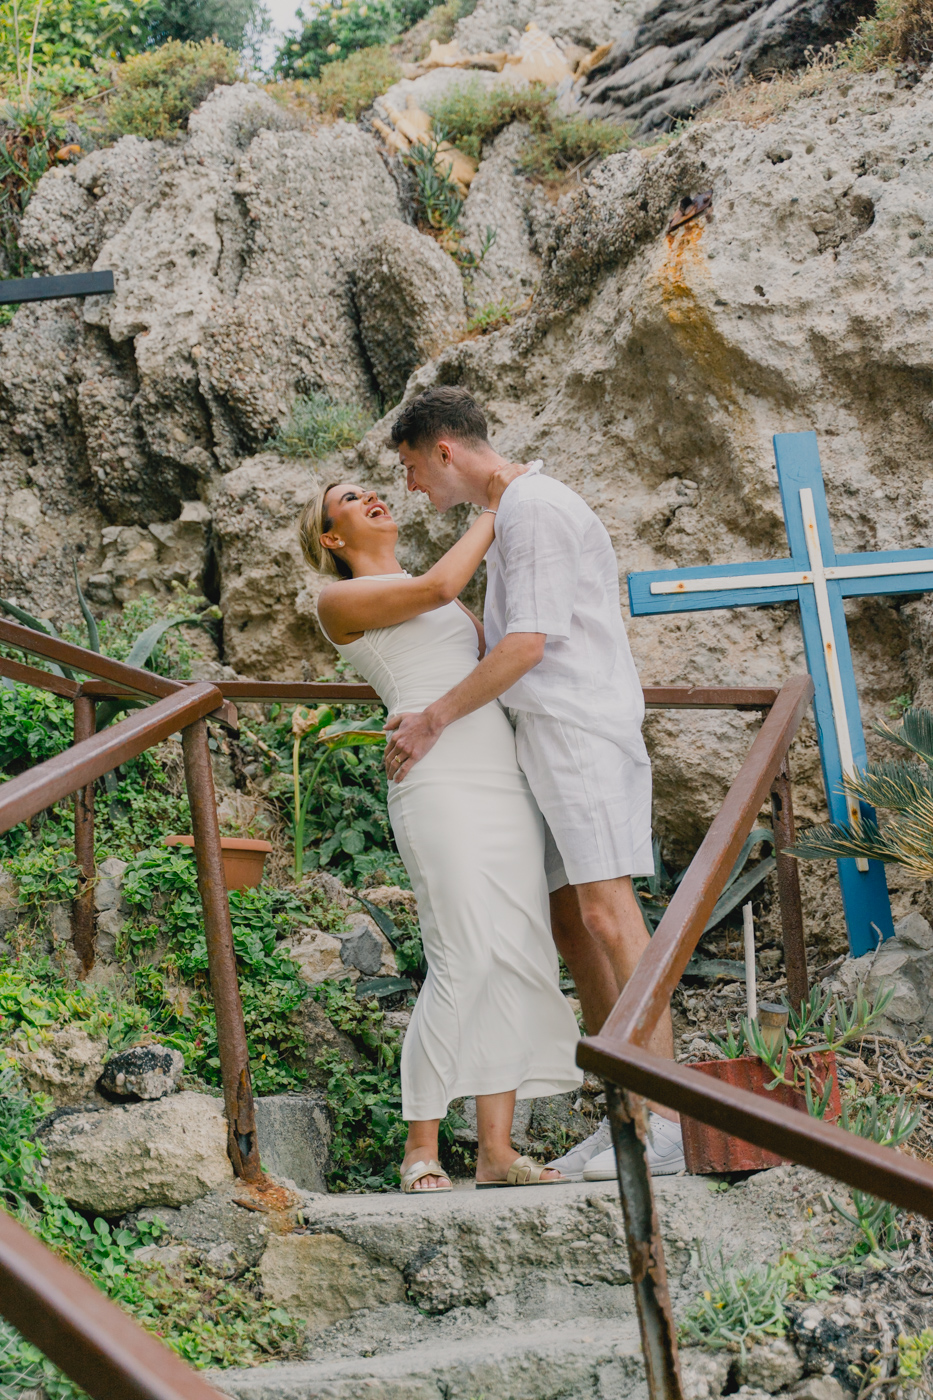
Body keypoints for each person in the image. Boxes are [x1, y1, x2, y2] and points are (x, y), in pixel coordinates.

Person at [383, 386, 685, 1179]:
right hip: (537, 739)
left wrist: (432, 718)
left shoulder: (537, 508)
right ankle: (628, 1113)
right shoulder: (510, 513)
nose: (413, 488)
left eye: (413, 468)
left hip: (578, 729)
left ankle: (674, 1123)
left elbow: (525, 647)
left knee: (608, 915)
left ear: (445, 451)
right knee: (571, 926)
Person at [299, 473, 582, 1195]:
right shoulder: (335, 598)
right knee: (459, 955)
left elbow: (488, 659)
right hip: (435, 775)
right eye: (348, 501)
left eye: (369, 489)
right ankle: (420, 1147)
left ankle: (496, 1151)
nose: (370, 498)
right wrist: (499, 502)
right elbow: (431, 588)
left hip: (499, 774)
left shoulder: (445, 594)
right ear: (333, 538)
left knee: (517, 950)